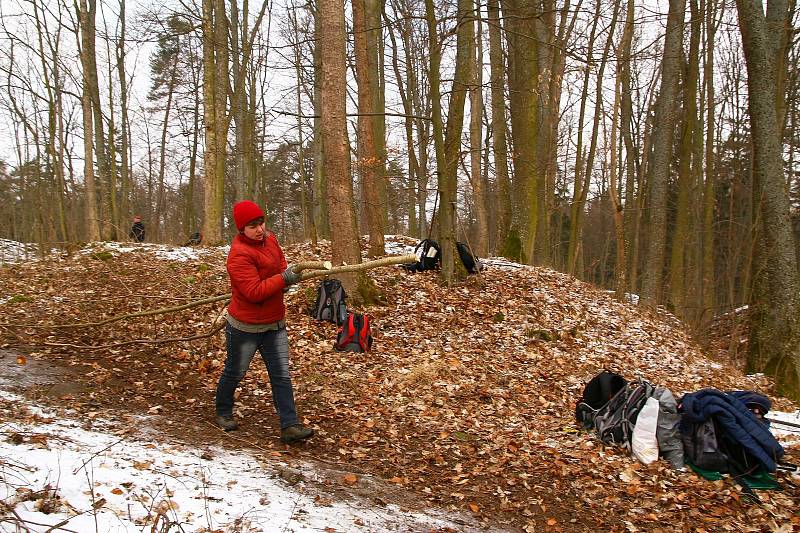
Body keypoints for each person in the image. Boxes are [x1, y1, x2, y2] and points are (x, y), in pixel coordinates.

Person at [215, 200, 314, 444]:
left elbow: (280, 265)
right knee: (235, 372)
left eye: (261, 222)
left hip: (274, 323)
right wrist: (283, 280)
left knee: (281, 375)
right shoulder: (238, 255)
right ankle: (223, 411)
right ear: (241, 229)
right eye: (252, 226)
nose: (259, 229)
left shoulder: (270, 240)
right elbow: (254, 291)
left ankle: (289, 425)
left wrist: (287, 280)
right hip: (245, 327)